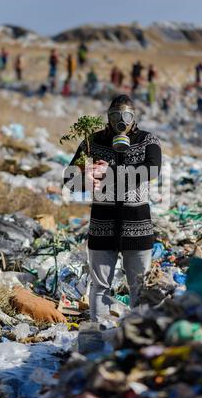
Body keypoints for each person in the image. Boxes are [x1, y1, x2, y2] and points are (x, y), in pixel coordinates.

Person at [64, 95, 162, 322]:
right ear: (108, 117)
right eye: (116, 115)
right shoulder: (92, 142)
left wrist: (109, 173)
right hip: (102, 225)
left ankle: (135, 339)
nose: (121, 120)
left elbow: (151, 170)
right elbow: (70, 179)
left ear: (134, 117)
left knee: (139, 287)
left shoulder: (148, 141)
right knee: (99, 286)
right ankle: (99, 338)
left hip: (137, 227)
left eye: (126, 116)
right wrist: (85, 179)